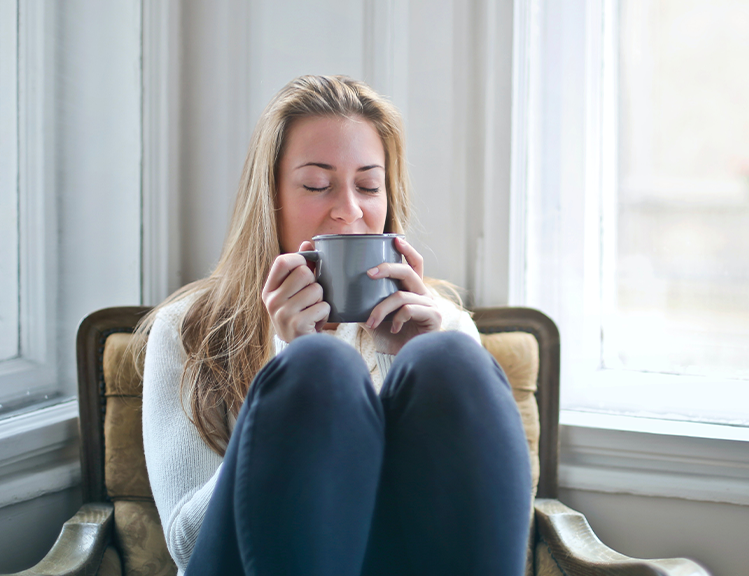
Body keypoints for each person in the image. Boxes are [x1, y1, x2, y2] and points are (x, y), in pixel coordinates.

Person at [139, 75, 531, 576]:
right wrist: (287, 360)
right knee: (318, 366)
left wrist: (402, 356)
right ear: (271, 197)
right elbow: (187, 548)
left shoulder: (441, 323)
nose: (349, 210)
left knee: (448, 357)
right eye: (316, 185)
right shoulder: (187, 329)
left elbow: (478, 520)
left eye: (369, 186)